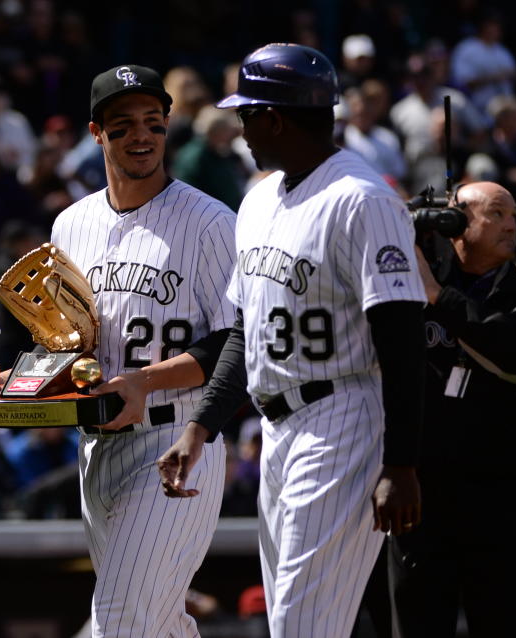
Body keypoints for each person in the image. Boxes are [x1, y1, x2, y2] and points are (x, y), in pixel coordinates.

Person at [158, 43, 427, 638]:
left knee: (302, 625)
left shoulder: (363, 198)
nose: (241, 128)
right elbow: (242, 333)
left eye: (246, 114)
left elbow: (403, 337)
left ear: (274, 118)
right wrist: (200, 426)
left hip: (343, 418)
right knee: (294, 624)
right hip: (278, 427)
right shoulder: (257, 200)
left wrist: (402, 462)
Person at [50, 63, 238, 637]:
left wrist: (146, 381)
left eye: (153, 123)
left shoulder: (210, 222)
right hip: (97, 446)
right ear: (96, 133)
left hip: (175, 437)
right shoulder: (70, 224)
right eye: (124, 124)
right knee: (156, 622)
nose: (141, 136)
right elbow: (68, 339)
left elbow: (236, 339)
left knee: (121, 620)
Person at [389, 182, 516, 637]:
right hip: (421, 495)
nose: (511, 223)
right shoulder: (410, 285)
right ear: (457, 222)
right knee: (417, 624)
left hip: (502, 498)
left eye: (513, 213)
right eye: (496, 213)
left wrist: (438, 296)